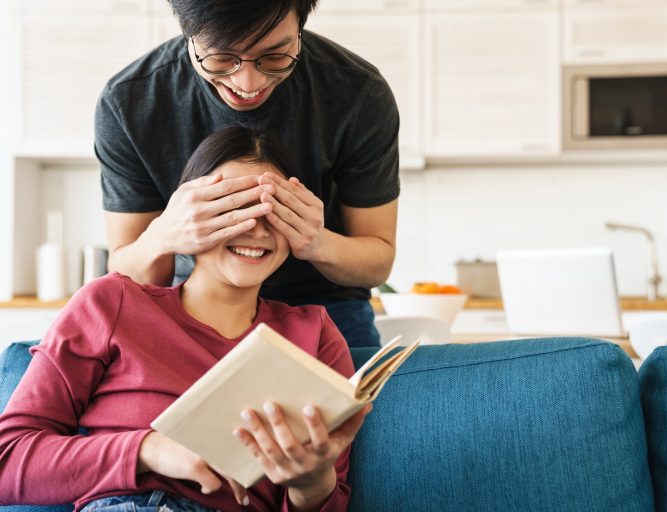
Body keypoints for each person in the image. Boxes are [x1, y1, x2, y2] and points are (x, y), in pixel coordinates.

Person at [0, 126, 370, 511]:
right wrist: (150, 449)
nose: (256, 228)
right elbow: (8, 461)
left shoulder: (314, 333)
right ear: (188, 214)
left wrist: (311, 484)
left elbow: (330, 499)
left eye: (273, 210)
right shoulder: (111, 303)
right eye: (231, 207)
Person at [96, 0, 400, 347]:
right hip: (191, 304)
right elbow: (125, 272)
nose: (248, 82)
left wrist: (317, 242)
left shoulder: (357, 92)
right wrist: (162, 237)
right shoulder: (130, 101)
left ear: (300, 27)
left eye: (275, 56)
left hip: (327, 305)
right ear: (187, 33)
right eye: (222, 58)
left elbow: (377, 263)